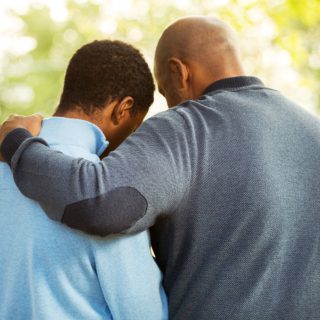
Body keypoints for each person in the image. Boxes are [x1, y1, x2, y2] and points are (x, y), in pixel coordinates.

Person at [1, 16, 320, 320]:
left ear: (178, 71)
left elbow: (102, 204)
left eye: (166, 93)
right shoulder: (312, 130)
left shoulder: (187, 128)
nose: (170, 105)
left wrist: (17, 145)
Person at [0, 39, 167, 320]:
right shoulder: (108, 191)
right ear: (123, 109)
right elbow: (143, 314)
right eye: (134, 126)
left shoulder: (5, 159)